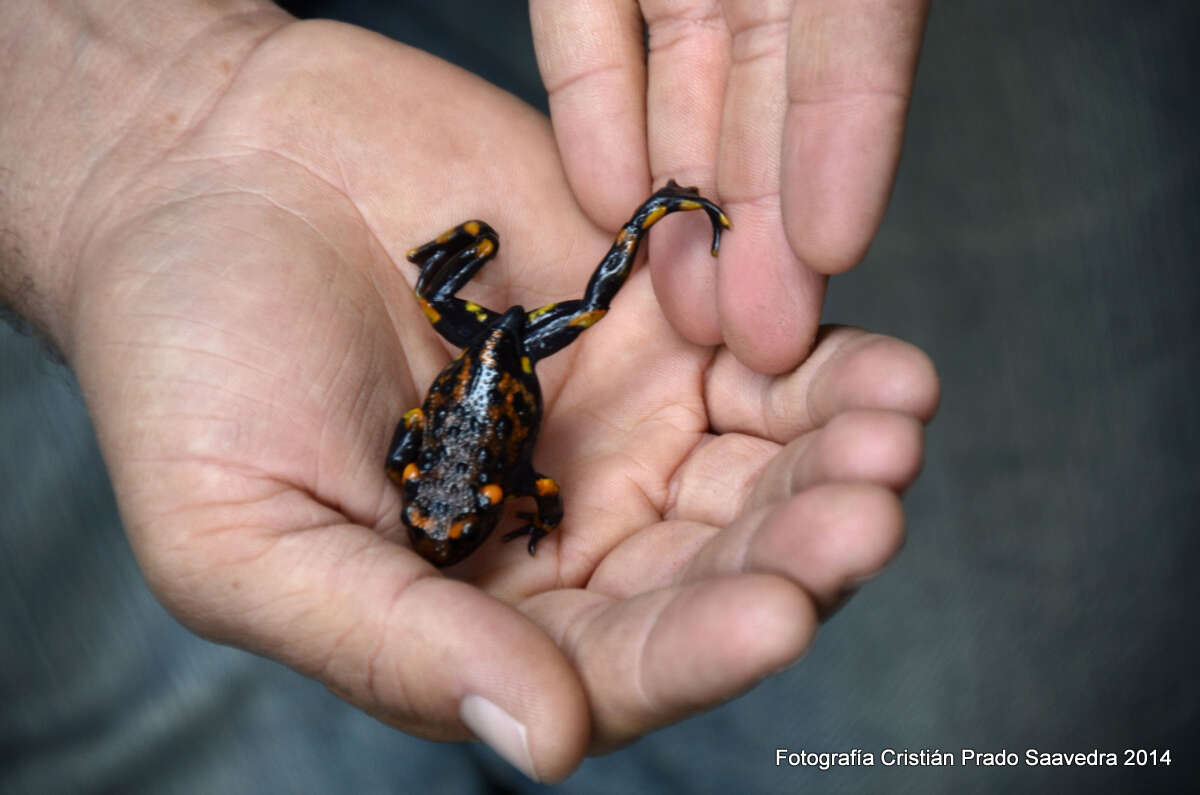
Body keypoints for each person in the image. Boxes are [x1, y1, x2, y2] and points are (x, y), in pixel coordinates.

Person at [1, 0, 937, 782]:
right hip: (498, 370)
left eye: (439, 520)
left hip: (504, 356)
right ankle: (602, 222)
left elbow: (468, 457)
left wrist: (509, 499)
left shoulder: (481, 470)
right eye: (451, 524)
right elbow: (486, 465)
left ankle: (657, 208)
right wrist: (120, 143)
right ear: (475, 499)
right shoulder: (486, 477)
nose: (439, 529)